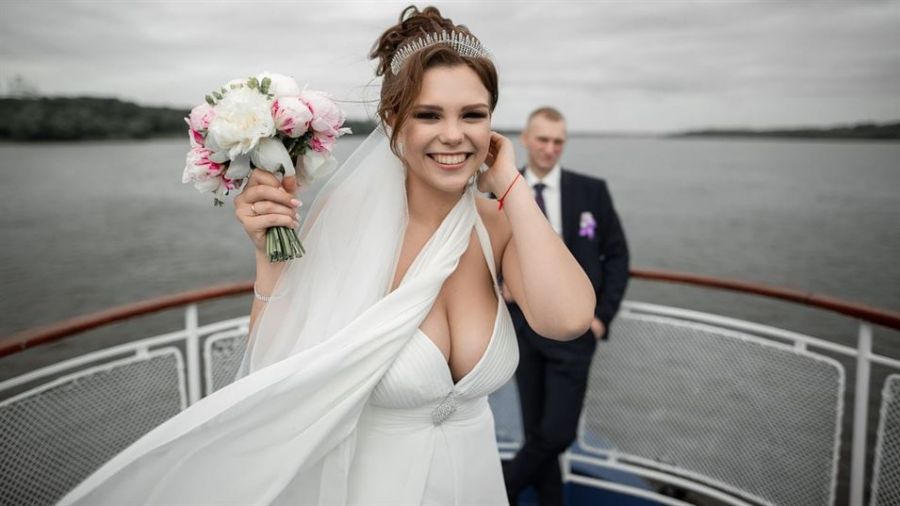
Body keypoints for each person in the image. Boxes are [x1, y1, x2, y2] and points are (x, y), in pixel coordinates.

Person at [58, 6, 595, 506]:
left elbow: (568, 320)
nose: (453, 135)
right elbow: (276, 368)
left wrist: (511, 183)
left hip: (476, 482)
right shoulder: (349, 225)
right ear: (394, 121)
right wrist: (269, 259)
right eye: (429, 114)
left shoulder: (497, 226)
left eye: (473, 115)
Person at [502, 107, 630, 506]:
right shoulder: (500, 190)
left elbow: (618, 255)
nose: (550, 148)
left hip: (575, 334)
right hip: (523, 329)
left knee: (557, 433)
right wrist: (502, 284)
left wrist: (601, 318)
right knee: (536, 430)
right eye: (542, 139)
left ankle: (498, 489)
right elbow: (484, 252)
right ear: (526, 139)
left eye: (558, 141)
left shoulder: (591, 192)